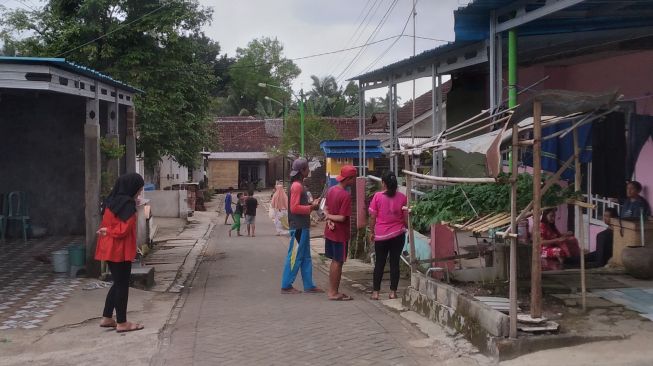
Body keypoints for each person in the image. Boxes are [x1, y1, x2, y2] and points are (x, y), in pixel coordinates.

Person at [95, 173, 145, 333]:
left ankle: (107, 317)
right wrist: (108, 231)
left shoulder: (110, 201)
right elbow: (123, 230)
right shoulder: (128, 205)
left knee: (118, 282)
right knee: (122, 284)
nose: (139, 193)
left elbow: (109, 223)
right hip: (119, 249)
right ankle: (122, 322)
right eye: (139, 189)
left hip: (108, 247)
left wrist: (106, 231)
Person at [280, 158, 324, 294]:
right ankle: (286, 285)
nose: (309, 170)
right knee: (294, 256)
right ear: (303, 170)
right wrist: (311, 207)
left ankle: (309, 285)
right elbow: (294, 208)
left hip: (302, 226)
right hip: (299, 227)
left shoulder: (297, 185)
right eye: (307, 168)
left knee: (305, 257)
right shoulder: (297, 186)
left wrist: (311, 205)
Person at [369, 172, 408, 301]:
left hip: (381, 236)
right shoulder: (402, 197)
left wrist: (371, 232)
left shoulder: (377, 197)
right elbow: (406, 217)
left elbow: (373, 216)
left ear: (383, 183)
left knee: (379, 263)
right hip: (398, 234)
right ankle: (393, 292)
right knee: (394, 263)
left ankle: (376, 293)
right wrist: (406, 227)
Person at [323, 165, 357, 301]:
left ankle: (332, 290)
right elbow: (342, 217)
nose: (354, 181)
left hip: (330, 231)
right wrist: (330, 218)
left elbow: (325, 209)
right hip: (340, 234)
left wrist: (328, 218)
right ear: (348, 178)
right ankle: (333, 292)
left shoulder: (331, 190)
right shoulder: (345, 196)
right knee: (338, 262)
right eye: (353, 178)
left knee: (334, 262)